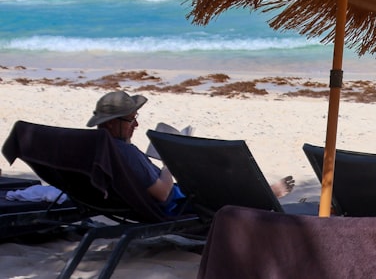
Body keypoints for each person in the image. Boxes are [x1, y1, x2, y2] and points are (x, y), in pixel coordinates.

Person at [87, 90, 294, 212]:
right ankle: (269, 194)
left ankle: (264, 192)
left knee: (210, 181)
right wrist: (169, 164)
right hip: (173, 205)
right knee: (219, 191)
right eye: (132, 119)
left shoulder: (99, 147)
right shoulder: (126, 154)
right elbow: (162, 194)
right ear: (113, 124)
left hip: (135, 202)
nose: (137, 125)